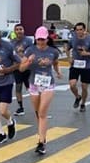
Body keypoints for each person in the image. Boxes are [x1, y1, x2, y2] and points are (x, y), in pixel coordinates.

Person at [19, 26, 62, 155]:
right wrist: (28, 62)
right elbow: (21, 68)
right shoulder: (29, 50)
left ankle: (41, 142)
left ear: (47, 38)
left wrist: (58, 71)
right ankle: (42, 135)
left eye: (43, 39)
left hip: (48, 84)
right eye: (38, 40)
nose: (41, 42)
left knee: (43, 112)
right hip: (34, 84)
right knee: (38, 113)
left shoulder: (53, 51)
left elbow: (55, 62)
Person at [67, 22, 90, 111]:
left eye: (81, 30)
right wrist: (69, 58)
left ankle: (83, 104)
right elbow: (67, 48)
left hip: (86, 66)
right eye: (77, 30)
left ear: (84, 30)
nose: (79, 32)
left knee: (84, 87)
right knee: (72, 85)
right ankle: (77, 97)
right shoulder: (73, 39)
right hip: (75, 65)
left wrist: (87, 53)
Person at [11, 24, 34, 116]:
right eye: (17, 29)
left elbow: (32, 52)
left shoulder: (28, 41)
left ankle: (38, 107)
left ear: (23, 30)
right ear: (14, 31)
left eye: (20, 29)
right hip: (17, 68)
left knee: (31, 89)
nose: (19, 31)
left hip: (27, 68)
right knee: (18, 87)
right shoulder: (12, 42)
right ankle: (20, 108)